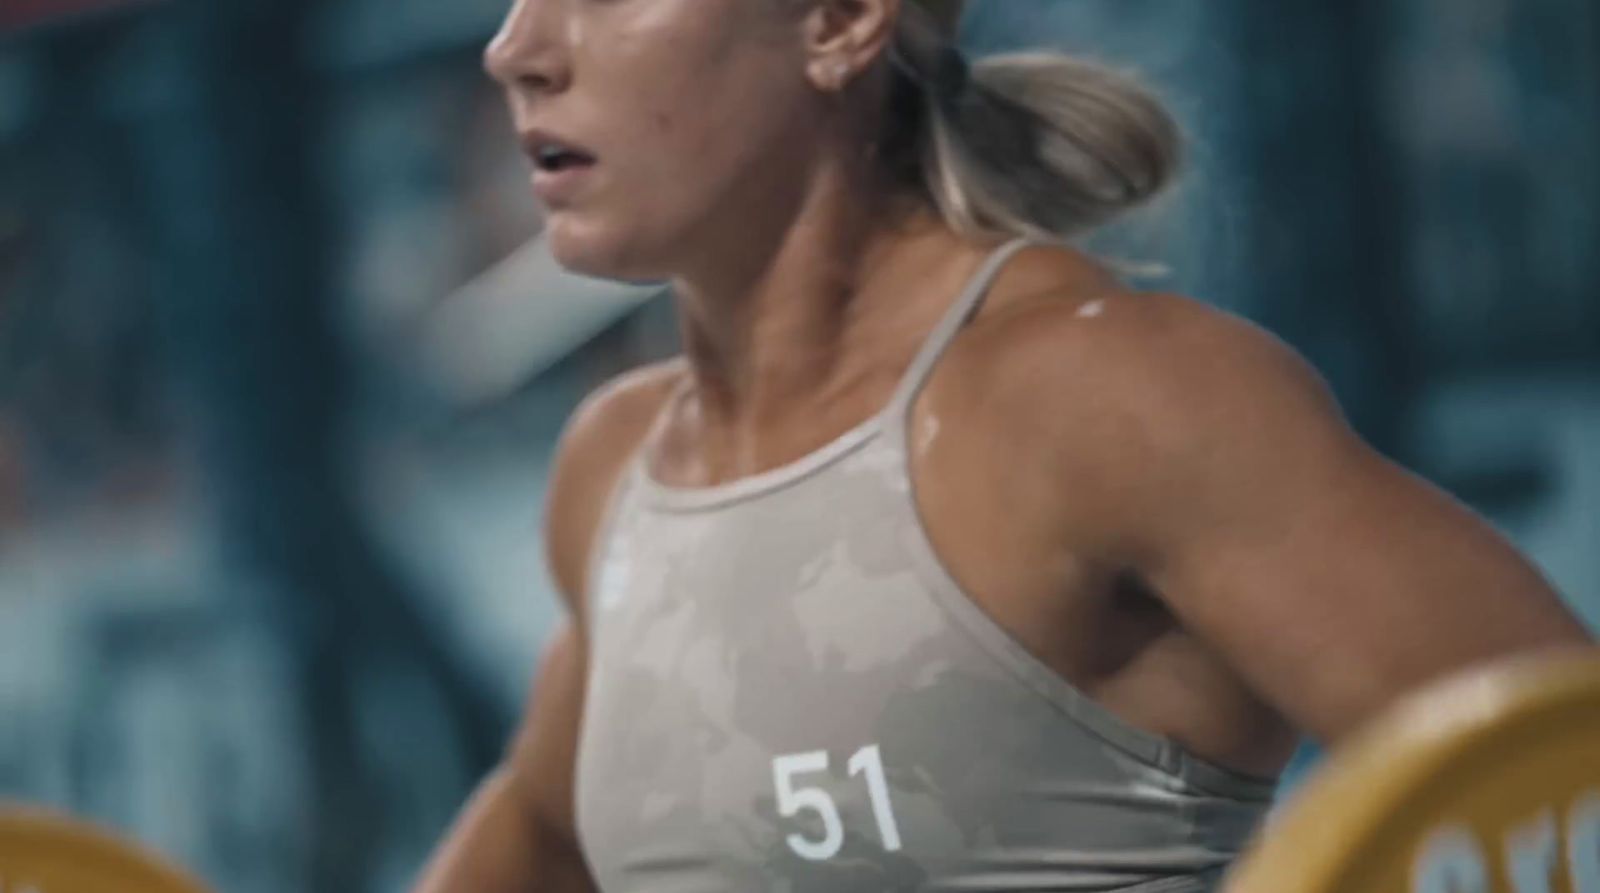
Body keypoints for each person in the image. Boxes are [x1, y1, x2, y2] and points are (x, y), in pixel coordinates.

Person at [414, 1, 1595, 891]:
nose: (515, 47)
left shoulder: (1105, 404)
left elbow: (1564, 772)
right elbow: (553, 826)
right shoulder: (617, 462)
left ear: (838, 21)